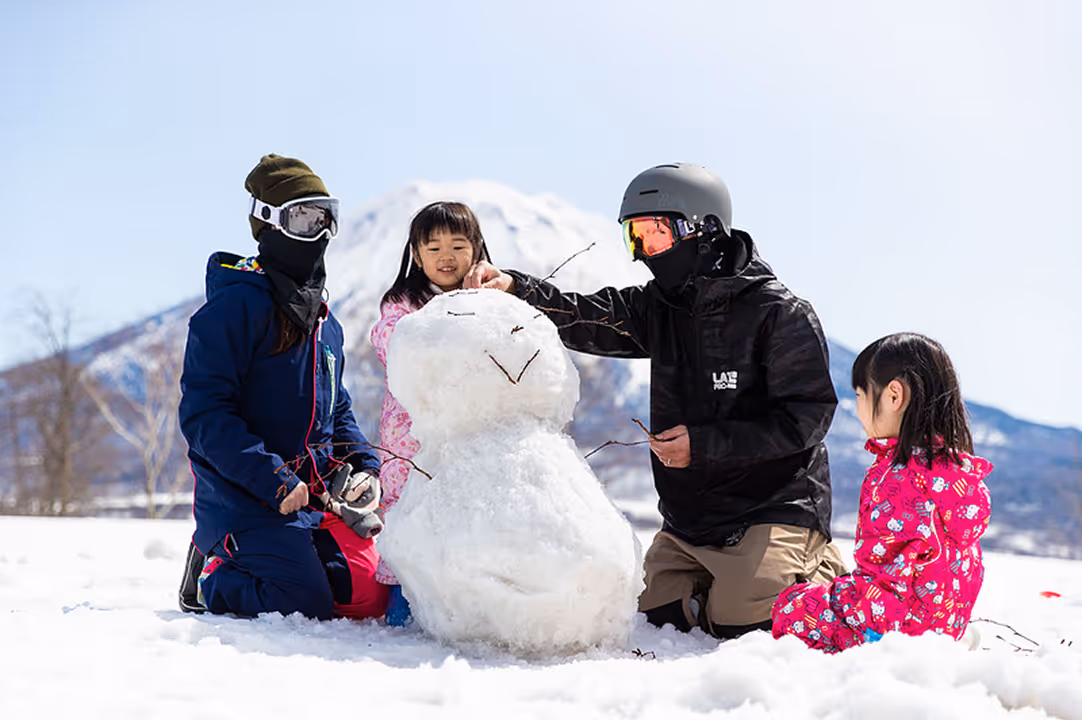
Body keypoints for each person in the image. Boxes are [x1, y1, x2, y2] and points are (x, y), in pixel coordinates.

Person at [465, 162, 847, 639]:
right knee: (658, 620)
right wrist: (516, 289)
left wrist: (703, 446)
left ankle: (818, 568)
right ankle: (722, 585)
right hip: (690, 520)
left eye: (656, 234)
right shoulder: (659, 307)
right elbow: (589, 317)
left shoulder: (778, 313)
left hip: (772, 508)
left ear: (704, 230)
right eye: (635, 237)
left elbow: (807, 417)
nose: (644, 251)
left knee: (750, 626)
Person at [177, 154, 389, 621]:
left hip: (309, 497)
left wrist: (365, 464)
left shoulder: (324, 323)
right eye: (303, 218)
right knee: (302, 601)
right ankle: (213, 572)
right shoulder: (233, 309)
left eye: (326, 217)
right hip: (244, 496)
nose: (319, 232)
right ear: (269, 223)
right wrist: (272, 478)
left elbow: (337, 408)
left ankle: (288, 559)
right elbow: (205, 414)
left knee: (369, 596)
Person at [772, 333, 992, 652]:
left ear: (893, 396)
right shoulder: (960, 472)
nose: (858, 409)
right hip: (946, 625)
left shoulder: (896, 479)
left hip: (893, 635)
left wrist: (812, 601)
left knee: (789, 607)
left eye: (860, 395)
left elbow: (880, 591)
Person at [370, 201, 492, 626]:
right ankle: (402, 603)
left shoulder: (491, 298)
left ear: (476, 248)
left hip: (465, 431)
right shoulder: (404, 302)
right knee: (407, 513)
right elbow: (391, 341)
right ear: (416, 255)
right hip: (410, 436)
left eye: (458, 245)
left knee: (459, 514)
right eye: (434, 247)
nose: (447, 256)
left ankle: (458, 604)